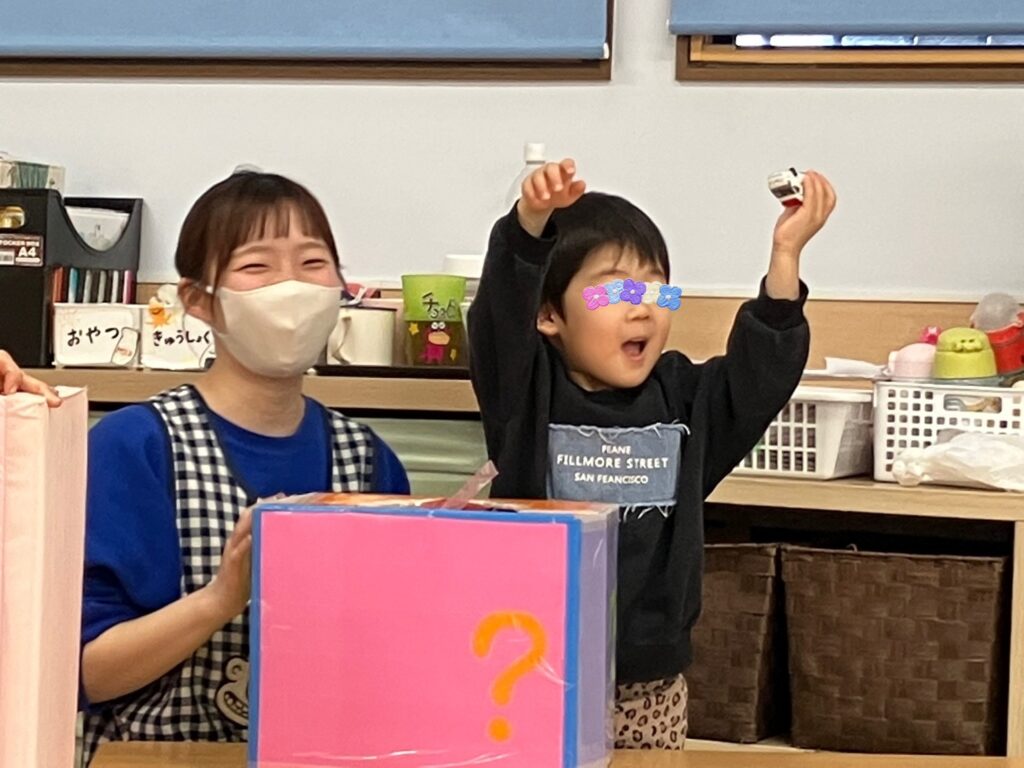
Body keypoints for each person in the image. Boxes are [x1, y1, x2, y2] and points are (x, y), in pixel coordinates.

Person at [468, 158, 835, 749]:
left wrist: (786, 256)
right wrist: (527, 225)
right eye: (614, 289)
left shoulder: (684, 400)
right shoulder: (526, 392)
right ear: (549, 314)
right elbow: (498, 319)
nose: (641, 305)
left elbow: (758, 377)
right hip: (532, 666)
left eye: (656, 288)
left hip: (649, 687)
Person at [79, 171, 410, 763]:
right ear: (199, 300)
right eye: (258, 266)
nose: (292, 286)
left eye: (312, 263)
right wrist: (220, 599)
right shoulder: (136, 447)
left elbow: (388, 654)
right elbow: (86, 673)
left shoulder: (367, 460)